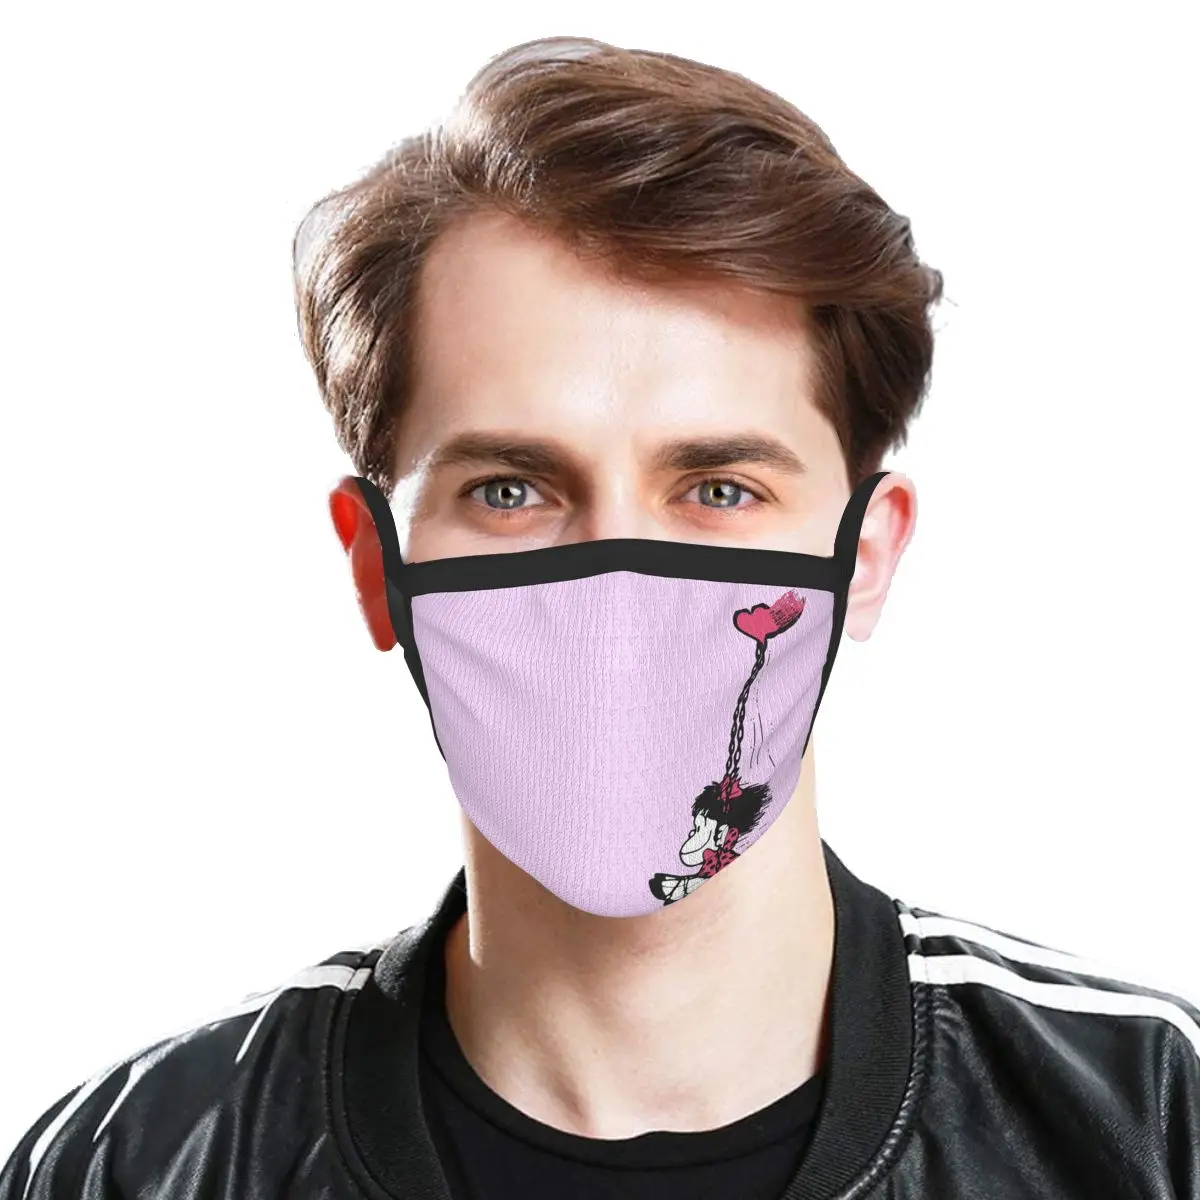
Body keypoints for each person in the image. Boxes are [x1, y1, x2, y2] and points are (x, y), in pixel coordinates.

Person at [4, 34, 1197, 1200]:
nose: (617, 605)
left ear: (868, 556)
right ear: (376, 568)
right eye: (510, 491)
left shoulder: (1157, 1125)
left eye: (719, 489)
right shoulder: (129, 1166)